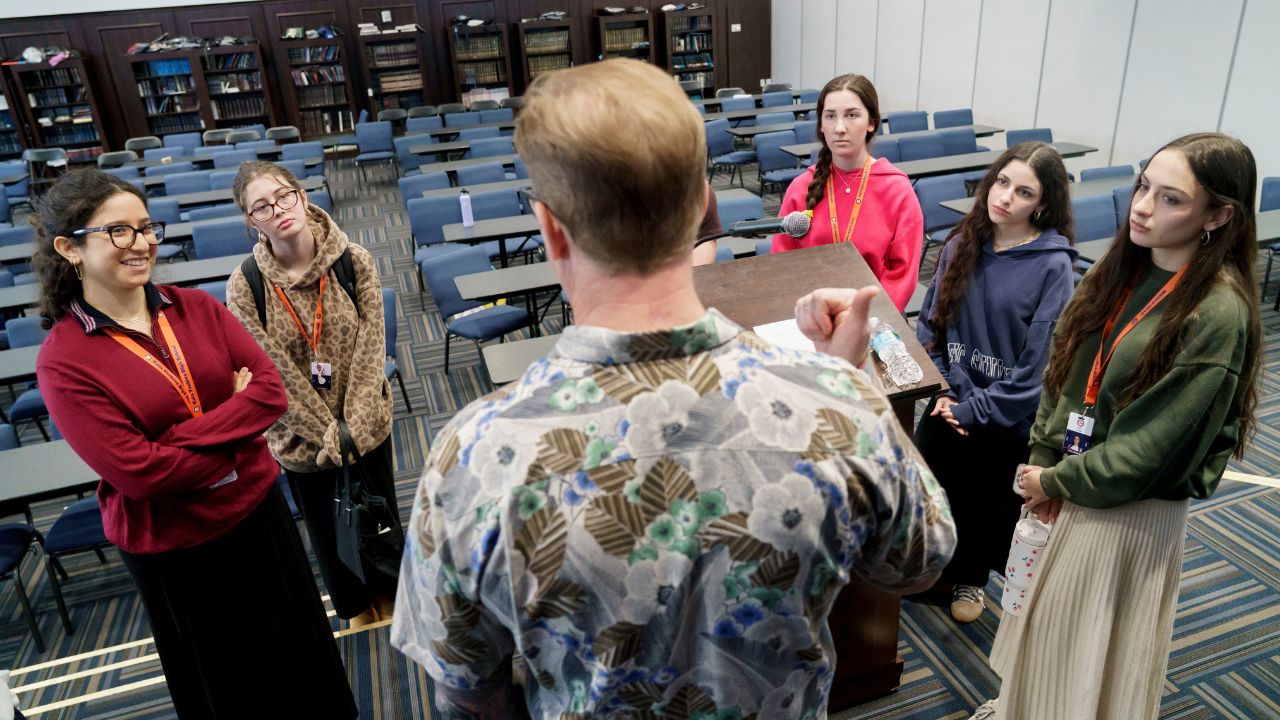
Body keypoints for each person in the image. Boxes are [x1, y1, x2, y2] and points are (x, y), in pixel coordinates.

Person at [390, 59, 955, 718]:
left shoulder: (470, 455)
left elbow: (469, 694)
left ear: (550, 229)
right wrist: (850, 389)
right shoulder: (839, 404)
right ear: (703, 209)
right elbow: (920, 566)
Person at [32, 170, 355, 719]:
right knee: (230, 686)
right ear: (70, 249)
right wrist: (234, 416)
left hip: (257, 512)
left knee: (301, 657)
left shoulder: (194, 307)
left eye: (146, 227)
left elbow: (271, 394)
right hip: (176, 549)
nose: (142, 243)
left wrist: (174, 439)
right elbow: (140, 474)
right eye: (119, 232)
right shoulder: (64, 361)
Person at [972, 132, 1262, 719]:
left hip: (1125, 513)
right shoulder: (1125, 267)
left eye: (1171, 198)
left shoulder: (1217, 312)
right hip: (1075, 487)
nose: (1143, 206)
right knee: (1045, 643)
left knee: (1082, 664)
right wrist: (1047, 461)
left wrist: (1054, 483)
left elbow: (1147, 452)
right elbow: (1065, 373)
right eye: (1142, 187)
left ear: (1219, 215)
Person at [225, 160, 399, 628]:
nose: (278, 209)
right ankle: (360, 617)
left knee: (380, 529)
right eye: (261, 207)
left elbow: (371, 348)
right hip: (305, 447)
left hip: (367, 431)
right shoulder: (246, 286)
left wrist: (354, 428)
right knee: (333, 540)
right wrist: (328, 437)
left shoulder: (352, 259)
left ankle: (394, 606)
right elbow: (272, 374)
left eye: (283, 196)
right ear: (251, 221)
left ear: (301, 195)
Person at [912, 142, 1076, 623]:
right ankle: (926, 571)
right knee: (930, 491)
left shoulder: (1054, 267)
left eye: (1023, 191)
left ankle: (970, 580)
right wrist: (944, 393)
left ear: (1042, 205)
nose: (1005, 197)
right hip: (951, 400)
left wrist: (972, 411)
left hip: (1004, 416)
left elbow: (1038, 373)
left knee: (984, 505)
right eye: (1002, 182)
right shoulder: (962, 243)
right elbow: (930, 330)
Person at [771, 74, 924, 311]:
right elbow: (782, 263)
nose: (840, 128)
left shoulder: (897, 190)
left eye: (852, 115)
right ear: (821, 125)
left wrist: (865, 317)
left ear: (871, 122)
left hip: (874, 317)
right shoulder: (801, 187)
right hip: (811, 316)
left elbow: (902, 274)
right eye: (830, 116)